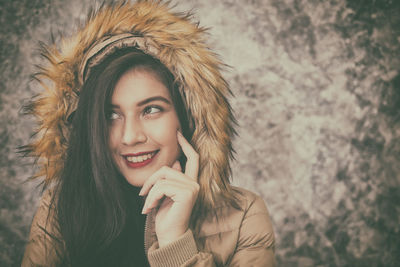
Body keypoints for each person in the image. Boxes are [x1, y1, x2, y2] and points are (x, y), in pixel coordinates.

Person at [21, 1, 275, 266]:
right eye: (111, 115)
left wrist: (176, 244)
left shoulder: (244, 215)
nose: (130, 137)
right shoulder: (61, 208)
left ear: (189, 115)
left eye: (151, 109)